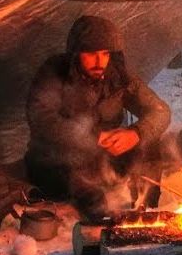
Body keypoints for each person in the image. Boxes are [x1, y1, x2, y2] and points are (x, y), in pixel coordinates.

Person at [24, 15, 172, 217]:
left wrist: (136, 134)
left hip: (104, 159)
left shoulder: (118, 76)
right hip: (60, 160)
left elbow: (160, 111)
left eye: (104, 54)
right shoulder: (55, 73)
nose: (99, 62)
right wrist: (91, 138)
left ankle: (147, 208)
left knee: (150, 144)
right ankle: (96, 204)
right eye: (91, 54)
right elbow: (41, 119)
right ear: (76, 54)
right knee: (96, 205)